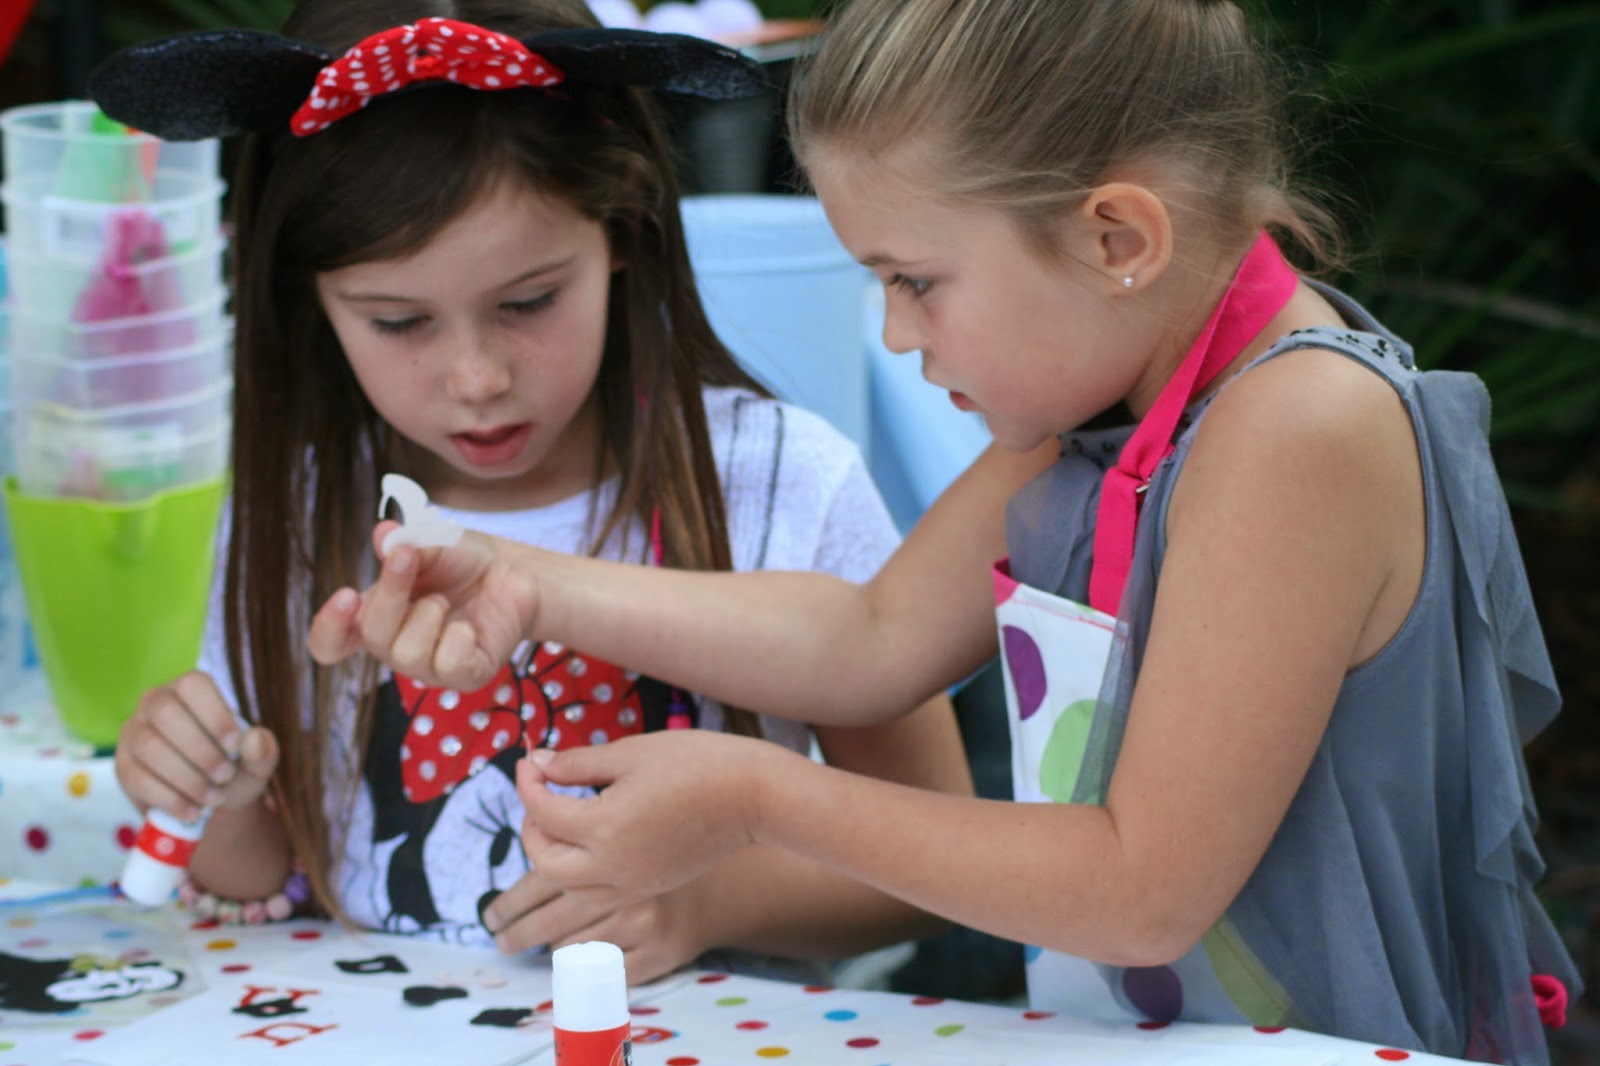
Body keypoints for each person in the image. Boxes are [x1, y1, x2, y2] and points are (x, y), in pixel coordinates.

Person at [304, 0, 1585, 1059]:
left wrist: (758, 795)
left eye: (914, 281)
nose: (899, 337)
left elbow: (1142, 887)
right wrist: (521, 581)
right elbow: (869, 635)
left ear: (1115, 236)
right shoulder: (1116, 390)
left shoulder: (1295, 426)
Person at [89, 0, 974, 984]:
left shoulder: (776, 481)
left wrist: (704, 903)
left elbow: (936, 860)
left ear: (625, 225)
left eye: (527, 302)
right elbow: (263, 872)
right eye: (397, 321)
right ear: (312, 297)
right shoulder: (296, 505)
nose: (476, 377)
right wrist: (212, 788)